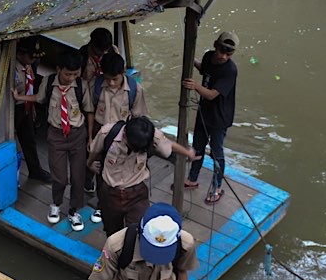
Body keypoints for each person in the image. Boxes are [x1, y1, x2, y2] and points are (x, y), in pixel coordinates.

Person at [13, 51, 94, 231]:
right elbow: (38, 97)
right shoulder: (49, 82)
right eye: (67, 74)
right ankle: (56, 203)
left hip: (77, 135)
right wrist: (20, 97)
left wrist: (89, 137)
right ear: (58, 69)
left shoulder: (81, 85)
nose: (71, 78)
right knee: (59, 177)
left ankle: (74, 211)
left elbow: (89, 111)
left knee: (78, 177)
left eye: (75, 74)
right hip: (56, 135)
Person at [87, 116, 197, 237]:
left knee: (139, 230)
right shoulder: (108, 132)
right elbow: (94, 151)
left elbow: (169, 145)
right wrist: (89, 164)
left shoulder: (149, 134)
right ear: (125, 134)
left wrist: (188, 153)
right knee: (113, 232)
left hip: (136, 193)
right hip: (110, 193)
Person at [182, 31, 239, 205]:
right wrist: (191, 58)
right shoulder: (208, 56)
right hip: (204, 113)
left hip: (219, 118)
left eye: (228, 54)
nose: (223, 56)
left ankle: (217, 187)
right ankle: (192, 179)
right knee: (197, 147)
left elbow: (212, 95)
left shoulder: (230, 70)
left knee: (216, 153)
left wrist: (195, 86)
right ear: (215, 46)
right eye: (221, 51)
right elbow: (204, 69)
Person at [84, 51, 147, 196]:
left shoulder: (135, 89)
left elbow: (138, 117)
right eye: (107, 79)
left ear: (123, 72)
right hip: (99, 130)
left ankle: (109, 197)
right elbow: (90, 111)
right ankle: (95, 189)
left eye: (115, 79)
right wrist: (90, 137)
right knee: (96, 164)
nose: (111, 83)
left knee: (114, 165)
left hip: (121, 134)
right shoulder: (96, 85)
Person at [12, 38, 51, 182]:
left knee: (29, 139)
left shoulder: (28, 66)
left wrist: (32, 108)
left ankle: (35, 170)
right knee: (8, 142)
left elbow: (30, 88)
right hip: (13, 109)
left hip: (26, 106)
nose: (34, 60)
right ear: (20, 54)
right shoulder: (11, 69)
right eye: (31, 57)